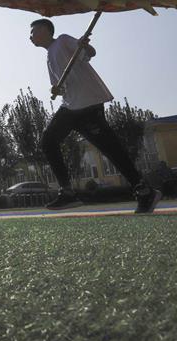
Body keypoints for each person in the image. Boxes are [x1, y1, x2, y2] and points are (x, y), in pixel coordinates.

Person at [29, 18, 161, 213]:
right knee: (48, 141)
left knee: (110, 148)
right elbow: (62, 85)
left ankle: (144, 191)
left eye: (33, 32)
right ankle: (67, 192)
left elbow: (89, 53)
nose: (30, 37)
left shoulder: (63, 41)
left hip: (89, 104)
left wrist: (84, 47)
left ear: (46, 30)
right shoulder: (49, 56)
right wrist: (57, 89)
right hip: (71, 106)